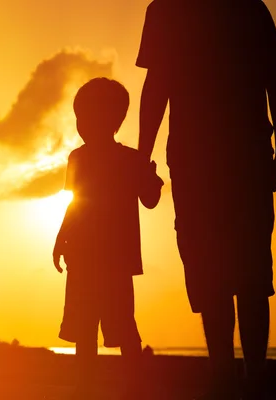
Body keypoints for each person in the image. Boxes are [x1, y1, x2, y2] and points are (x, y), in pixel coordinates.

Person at [135, 1, 276, 399]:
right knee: (225, 270)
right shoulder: (172, 11)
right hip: (211, 159)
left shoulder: (244, 9)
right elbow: (157, 85)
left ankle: (243, 374)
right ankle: (229, 373)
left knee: (244, 271)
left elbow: (274, 78)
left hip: (237, 157)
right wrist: (141, 158)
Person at [53, 77, 164, 399]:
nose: (82, 124)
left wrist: (152, 177)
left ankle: (132, 386)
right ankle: (85, 386)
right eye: (79, 117)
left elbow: (150, 198)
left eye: (86, 117)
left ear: (111, 120)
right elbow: (74, 203)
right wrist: (61, 239)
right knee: (85, 329)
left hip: (110, 259)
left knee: (122, 325)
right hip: (86, 256)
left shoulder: (130, 160)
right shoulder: (81, 158)